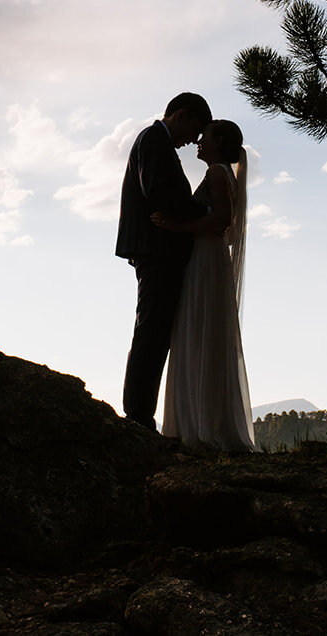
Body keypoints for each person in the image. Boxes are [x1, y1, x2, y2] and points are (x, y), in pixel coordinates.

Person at [151, 119, 255, 451]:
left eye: (204, 137)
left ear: (219, 141)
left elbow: (223, 220)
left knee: (198, 329)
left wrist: (177, 227)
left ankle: (198, 426)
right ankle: (203, 419)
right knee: (203, 332)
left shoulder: (216, 173)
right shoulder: (224, 174)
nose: (198, 142)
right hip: (209, 256)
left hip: (204, 257)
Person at [115, 92, 212, 429]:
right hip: (157, 249)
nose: (193, 141)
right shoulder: (154, 141)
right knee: (152, 330)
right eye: (195, 131)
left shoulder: (157, 142)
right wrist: (207, 213)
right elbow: (161, 194)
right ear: (181, 115)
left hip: (157, 249)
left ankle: (140, 413)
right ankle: (139, 415)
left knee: (155, 330)